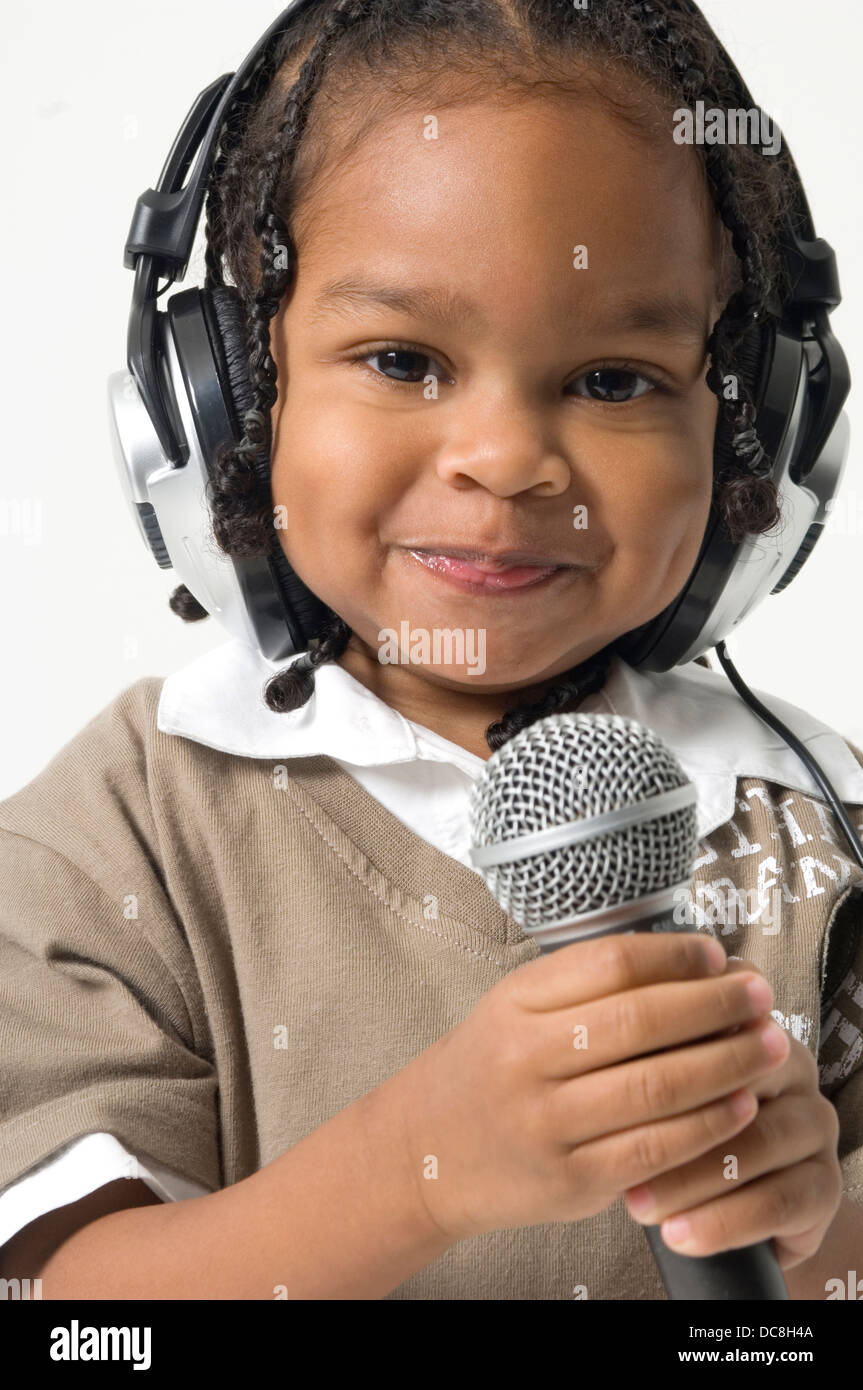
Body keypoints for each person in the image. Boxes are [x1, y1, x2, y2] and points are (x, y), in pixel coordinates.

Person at [1, 0, 862, 1300]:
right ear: (227, 397)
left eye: (616, 378)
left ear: (758, 439)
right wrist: (423, 1165)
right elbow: (76, 1319)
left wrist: (813, 1236)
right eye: (403, 359)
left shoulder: (822, 827)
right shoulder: (125, 831)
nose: (506, 458)